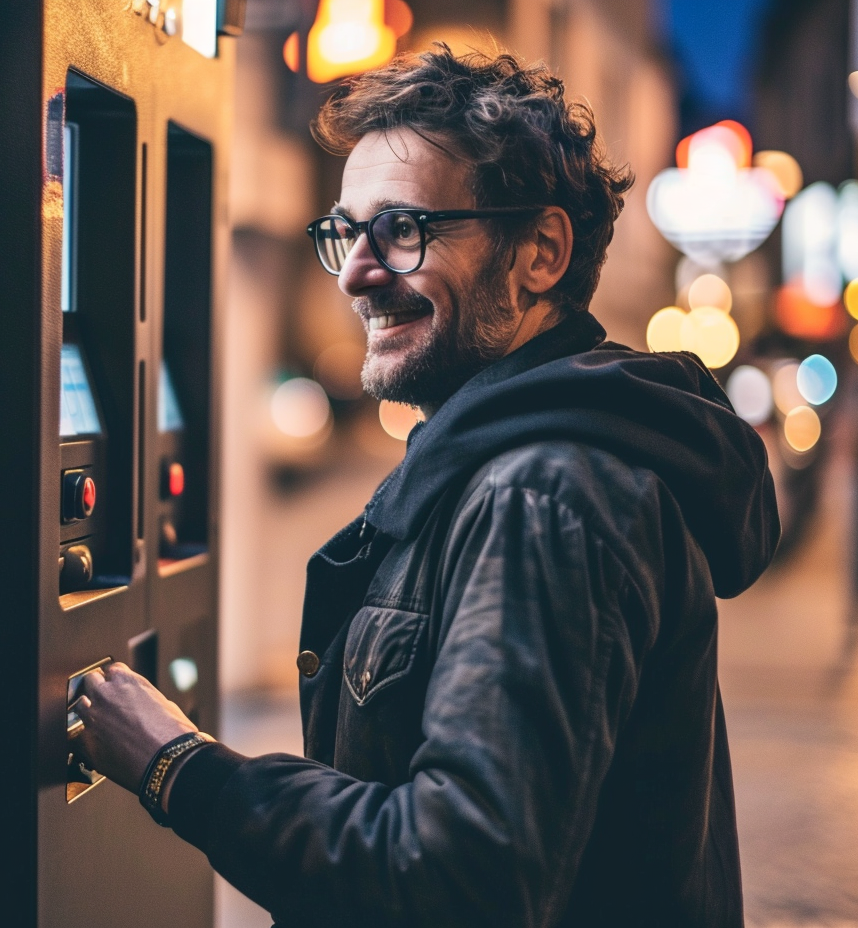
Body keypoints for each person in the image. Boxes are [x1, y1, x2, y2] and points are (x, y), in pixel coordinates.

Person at [72, 46, 779, 928]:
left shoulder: (546, 495)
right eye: (346, 233)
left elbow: (459, 877)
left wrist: (181, 766)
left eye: (403, 230)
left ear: (541, 251)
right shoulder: (510, 466)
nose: (360, 274)